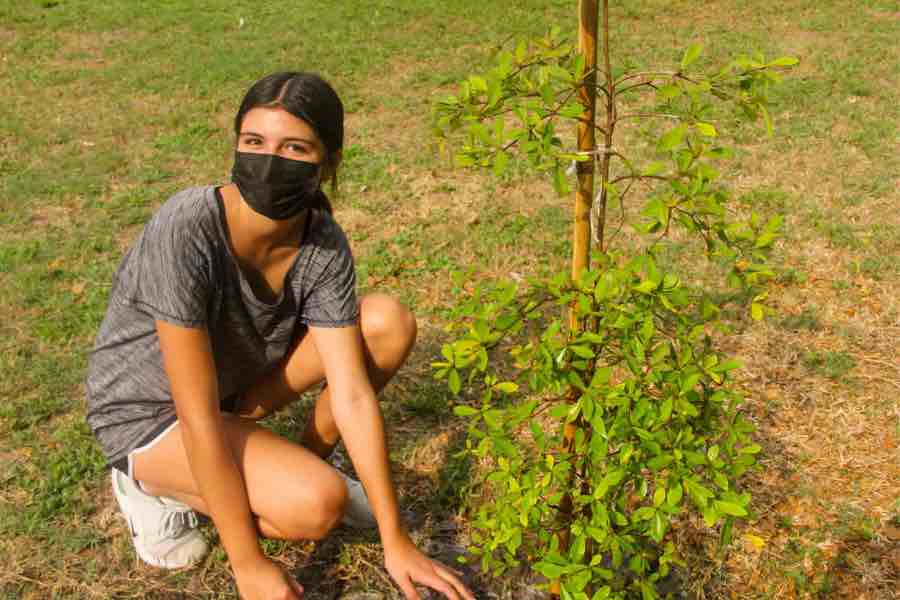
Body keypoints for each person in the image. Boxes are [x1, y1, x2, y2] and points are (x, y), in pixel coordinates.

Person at [85, 71, 475, 600]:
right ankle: (150, 486)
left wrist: (396, 537)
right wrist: (248, 564)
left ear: (327, 164)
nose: (269, 161)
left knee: (384, 322)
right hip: (149, 412)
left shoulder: (322, 242)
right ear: (236, 146)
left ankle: (301, 464)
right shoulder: (188, 228)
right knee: (316, 506)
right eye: (254, 142)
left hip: (231, 392)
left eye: (294, 147)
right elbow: (195, 416)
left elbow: (353, 392)